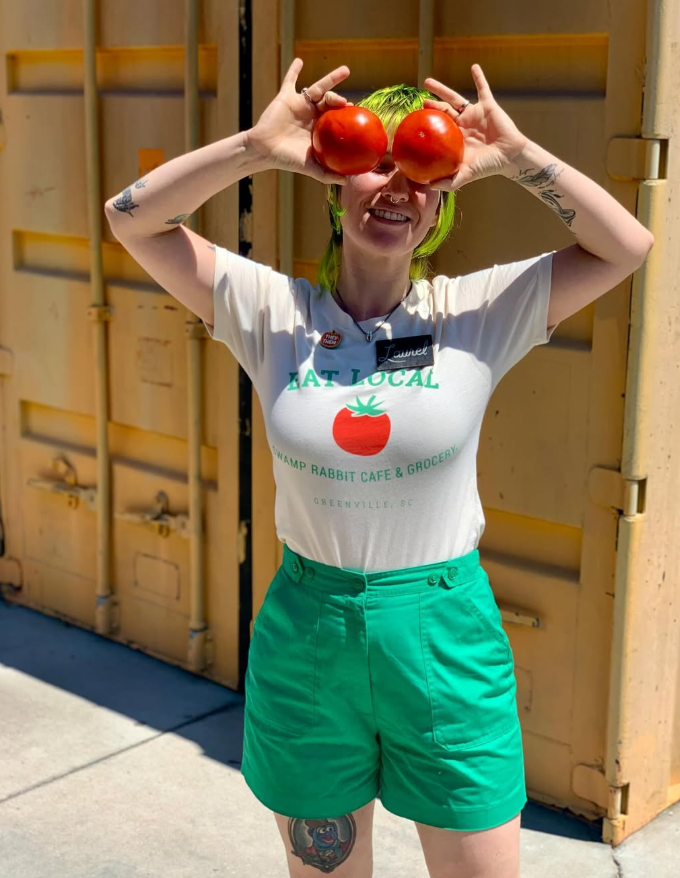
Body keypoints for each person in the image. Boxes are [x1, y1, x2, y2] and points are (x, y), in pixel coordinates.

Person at [105, 58, 654, 878]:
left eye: (422, 171)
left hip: (443, 633)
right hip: (311, 633)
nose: (397, 187)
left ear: (440, 205)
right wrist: (258, 148)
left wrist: (515, 156)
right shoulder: (272, 314)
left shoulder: (475, 313)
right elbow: (131, 220)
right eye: (374, 164)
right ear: (335, 184)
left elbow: (627, 247)